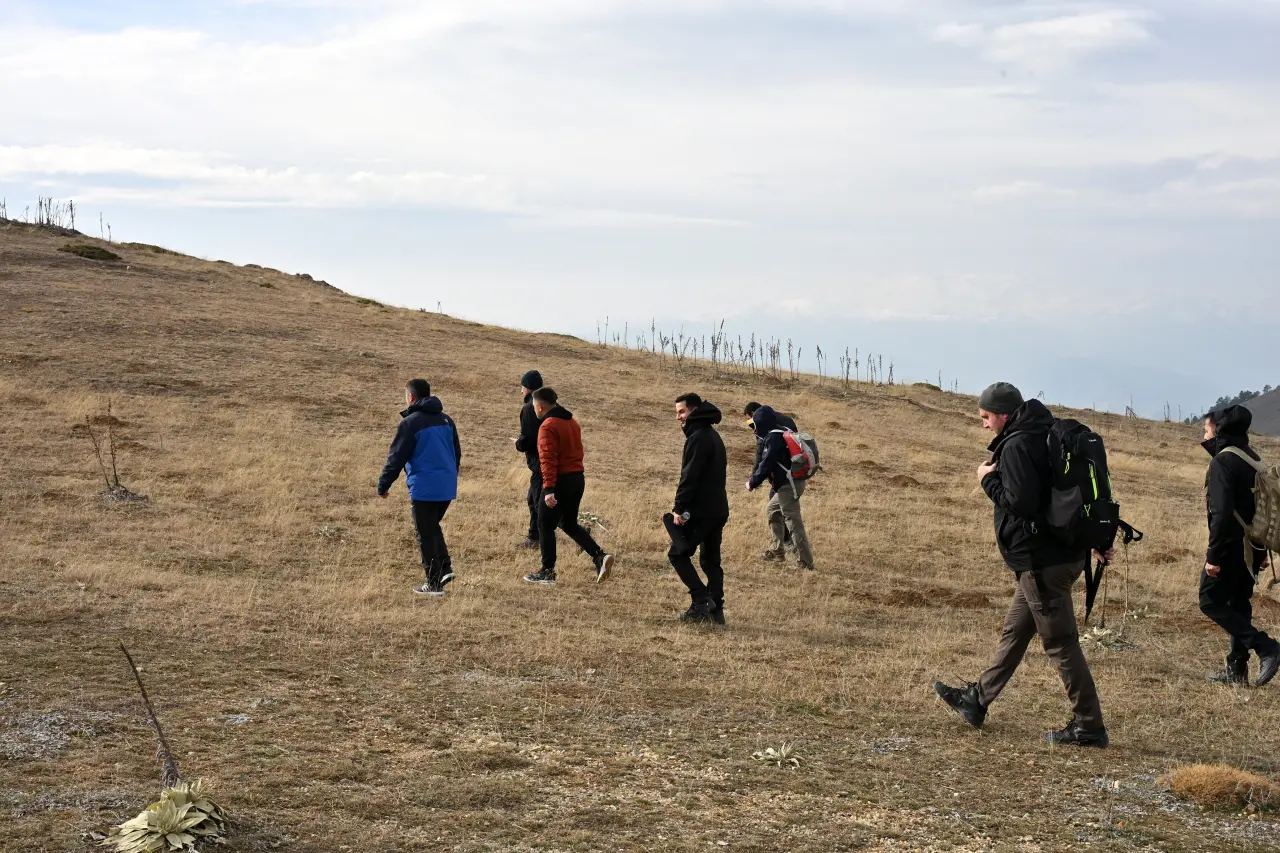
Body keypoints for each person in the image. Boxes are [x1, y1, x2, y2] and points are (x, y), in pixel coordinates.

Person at [933, 382, 1110, 747]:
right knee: (1015, 631)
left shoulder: (1016, 445)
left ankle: (1089, 726)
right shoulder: (1048, 432)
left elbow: (1022, 503)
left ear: (1002, 414)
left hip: (1042, 563)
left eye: (985, 417)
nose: (984, 424)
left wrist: (987, 480)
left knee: (1061, 643)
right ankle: (976, 700)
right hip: (1060, 555)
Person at [1199, 404, 1280, 686]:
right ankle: (1237, 670)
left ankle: (1266, 646)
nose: (1204, 434)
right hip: (1254, 546)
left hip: (1232, 547)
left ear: (1219, 430)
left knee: (1209, 601)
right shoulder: (1251, 457)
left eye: (1207, 429)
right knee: (1239, 602)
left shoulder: (1223, 462)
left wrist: (1213, 556)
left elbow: (1221, 514)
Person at [377, 379, 462, 597]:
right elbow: (457, 453)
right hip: (447, 484)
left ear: (411, 397)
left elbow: (396, 456)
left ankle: (433, 584)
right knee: (432, 526)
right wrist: (451, 476)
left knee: (424, 532)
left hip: (424, 486)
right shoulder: (447, 420)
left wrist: (384, 484)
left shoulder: (410, 423)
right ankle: (445, 569)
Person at [523, 387, 615, 585]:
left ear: (540, 406)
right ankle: (599, 556)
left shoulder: (547, 426)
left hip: (560, 481)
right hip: (577, 479)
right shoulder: (572, 423)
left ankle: (547, 572)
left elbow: (547, 459)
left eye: (533, 407)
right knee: (568, 523)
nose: (534, 411)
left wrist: (548, 489)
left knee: (544, 524)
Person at [668, 393, 730, 624]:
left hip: (702, 511)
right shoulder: (713, 435)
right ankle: (716, 612)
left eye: (681, 412)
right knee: (710, 561)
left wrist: (679, 508)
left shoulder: (699, 437)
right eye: (677, 413)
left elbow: (690, 476)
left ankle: (700, 601)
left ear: (694, 410)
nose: (678, 417)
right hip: (718, 510)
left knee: (677, 553)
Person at [747, 405, 815, 570]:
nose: (753, 429)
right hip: (790, 483)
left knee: (793, 522)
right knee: (772, 510)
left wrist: (753, 482)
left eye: (754, 424)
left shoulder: (773, 438)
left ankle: (805, 563)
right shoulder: (779, 431)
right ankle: (777, 551)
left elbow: (767, 463)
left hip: (788, 485)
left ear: (761, 423)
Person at [513, 370, 544, 549]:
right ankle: (535, 535)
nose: (521, 391)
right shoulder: (546, 403)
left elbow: (529, 439)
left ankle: (535, 538)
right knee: (534, 498)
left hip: (541, 463)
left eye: (522, 387)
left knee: (538, 501)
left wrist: (518, 444)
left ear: (527, 388)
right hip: (546, 461)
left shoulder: (529, 408)